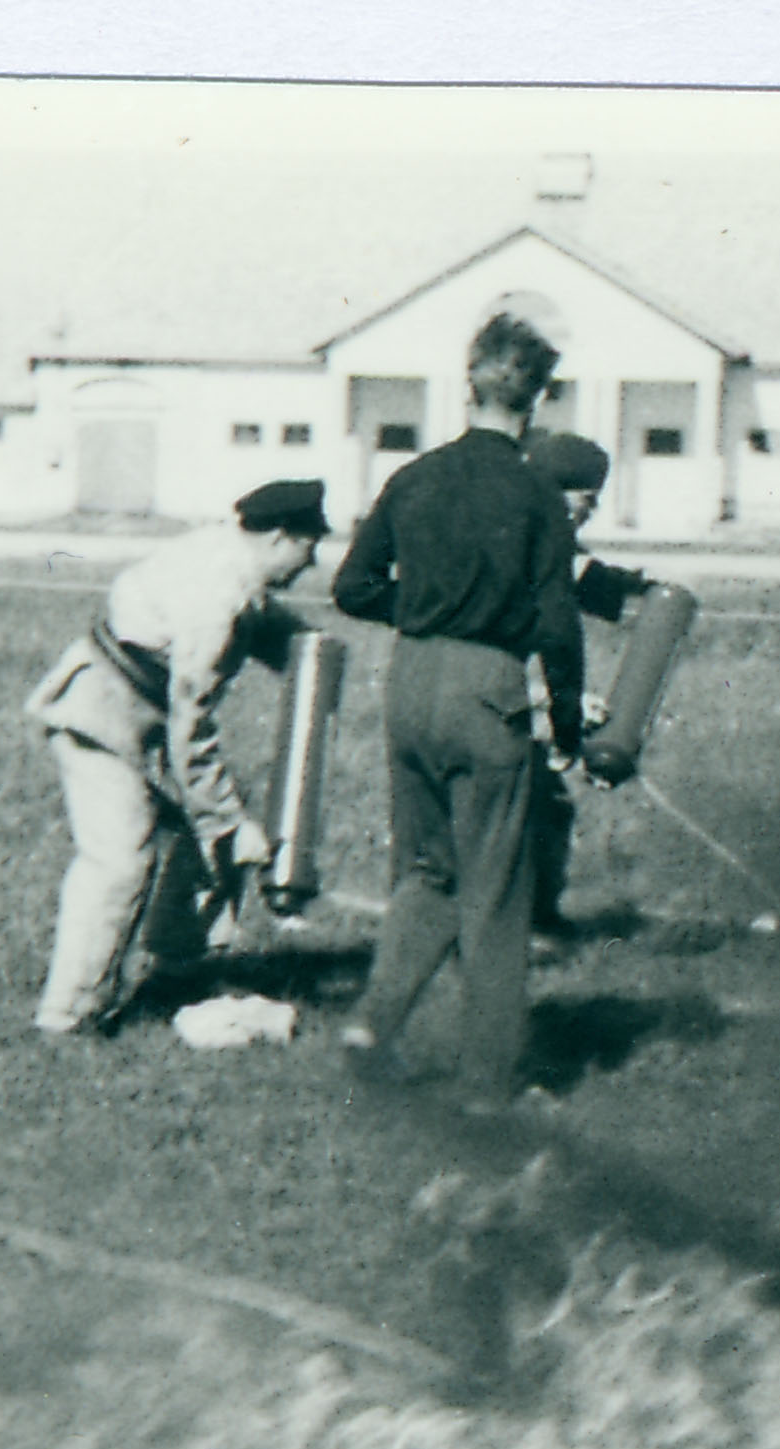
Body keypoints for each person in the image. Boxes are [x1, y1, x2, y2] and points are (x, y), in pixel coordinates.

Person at [328, 311, 585, 1101]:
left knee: (427, 870)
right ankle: (487, 1081)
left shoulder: (412, 477)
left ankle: (373, 1022)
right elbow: (557, 627)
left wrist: (423, 607)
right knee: (498, 889)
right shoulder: (537, 494)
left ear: (467, 381)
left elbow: (351, 588)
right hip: (486, 688)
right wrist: (568, 725)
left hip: (409, 684)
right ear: (536, 399)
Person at [23, 478, 331, 1037]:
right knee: (119, 862)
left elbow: (265, 618)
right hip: (100, 715)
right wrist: (230, 822)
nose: (309, 567)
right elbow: (193, 726)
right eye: (309, 549)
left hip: (145, 718)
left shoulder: (232, 553)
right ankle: (68, 1017)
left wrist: (316, 654)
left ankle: (176, 974)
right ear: (281, 538)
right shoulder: (215, 599)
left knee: (198, 847)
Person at [516, 432, 669, 937]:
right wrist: (554, 707)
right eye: (588, 499)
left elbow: (586, 576)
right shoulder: (526, 544)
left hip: (497, 698)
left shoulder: (534, 534)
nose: (593, 510)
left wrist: (644, 587)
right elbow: (552, 622)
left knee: (546, 808)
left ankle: (533, 917)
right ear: (559, 492)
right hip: (489, 698)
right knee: (530, 807)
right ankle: (521, 923)